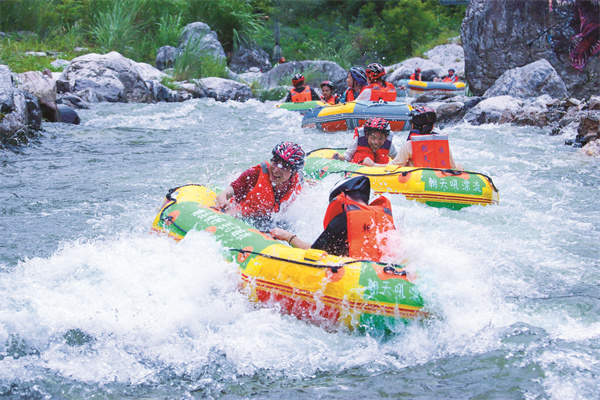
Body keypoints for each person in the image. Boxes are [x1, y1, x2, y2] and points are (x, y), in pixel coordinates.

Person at [270, 176, 395, 262]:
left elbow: (314, 253)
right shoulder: (382, 217)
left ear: (340, 198)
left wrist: (288, 237)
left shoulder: (343, 219)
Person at [215, 142, 306, 225]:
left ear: (293, 172)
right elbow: (225, 194)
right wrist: (223, 203)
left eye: (284, 166)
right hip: (244, 218)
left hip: (270, 220)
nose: (276, 169)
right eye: (275, 161)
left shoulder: (297, 181)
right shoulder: (254, 174)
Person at [392, 106, 459, 169]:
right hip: (438, 177)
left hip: (416, 178)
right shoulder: (442, 144)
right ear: (432, 127)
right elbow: (452, 166)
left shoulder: (409, 145)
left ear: (414, 126)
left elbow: (394, 167)